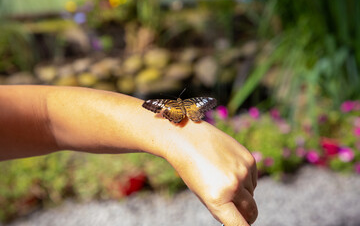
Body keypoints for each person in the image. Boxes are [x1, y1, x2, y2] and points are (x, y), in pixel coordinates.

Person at [0, 85, 258, 226]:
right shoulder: (172, 106)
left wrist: (180, 137)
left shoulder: (170, 109)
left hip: (179, 121)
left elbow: (44, 115)